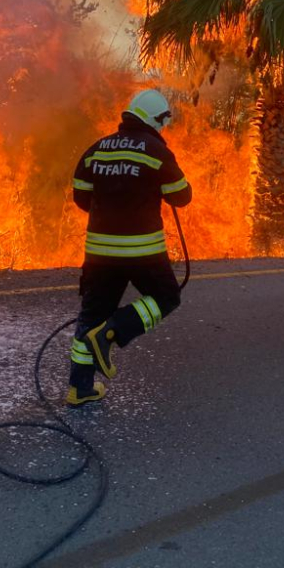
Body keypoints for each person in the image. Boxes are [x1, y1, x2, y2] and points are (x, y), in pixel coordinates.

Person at [66, 89, 192, 406]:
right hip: (142, 252)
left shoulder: (97, 149)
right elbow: (182, 196)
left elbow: (81, 196)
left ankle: (79, 388)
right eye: (163, 120)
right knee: (166, 297)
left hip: (99, 254)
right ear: (154, 119)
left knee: (91, 315)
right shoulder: (156, 151)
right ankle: (113, 331)